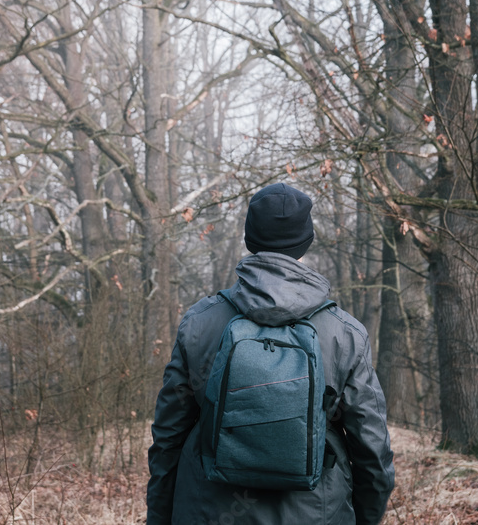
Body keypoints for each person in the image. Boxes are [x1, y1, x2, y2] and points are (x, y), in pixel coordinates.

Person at [147, 182, 395, 524]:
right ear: (306, 241)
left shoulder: (201, 322)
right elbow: (372, 447)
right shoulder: (344, 333)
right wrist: (365, 517)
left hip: (209, 511)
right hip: (316, 513)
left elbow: (168, 435)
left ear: (250, 240)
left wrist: (160, 515)